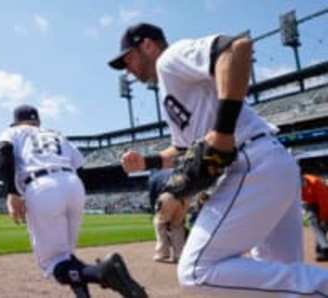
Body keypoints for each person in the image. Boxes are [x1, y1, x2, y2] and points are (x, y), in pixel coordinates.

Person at [109, 22, 328, 296]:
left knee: (196, 270)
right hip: (273, 164)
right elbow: (182, 149)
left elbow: (235, 48)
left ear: (148, 46)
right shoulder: (172, 87)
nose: (127, 69)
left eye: (128, 58)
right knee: (276, 279)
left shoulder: (169, 59)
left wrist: (223, 130)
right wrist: (147, 162)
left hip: (252, 163)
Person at [0, 104, 147, 298]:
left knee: (55, 264)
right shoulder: (55, 134)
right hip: (73, 184)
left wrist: (11, 192)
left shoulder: (13, 131)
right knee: (67, 256)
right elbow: (82, 171)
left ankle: (103, 272)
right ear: (38, 121)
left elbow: (3, 152)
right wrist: (119, 172)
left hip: (42, 185)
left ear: (16, 121)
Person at [148, 169, 189, 263]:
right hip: (185, 197)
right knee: (177, 226)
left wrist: (153, 212)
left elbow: (152, 196)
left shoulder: (154, 177)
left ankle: (162, 253)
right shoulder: (172, 172)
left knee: (159, 223)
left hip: (168, 196)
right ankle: (179, 254)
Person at [302, 173, 328, 261]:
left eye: (303, 186)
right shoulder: (293, 186)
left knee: (323, 225)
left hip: (323, 201)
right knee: (314, 223)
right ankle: (323, 249)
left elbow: (324, 203)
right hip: (309, 203)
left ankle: (323, 248)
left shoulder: (315, 182)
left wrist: (323, 218)